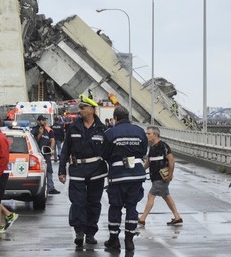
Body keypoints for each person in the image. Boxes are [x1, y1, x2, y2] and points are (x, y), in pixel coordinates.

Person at [58, 94, 108, 247]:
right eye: (80, 108)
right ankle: (79, 232)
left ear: (92, 109)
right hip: (78, 169)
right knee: (78, 202)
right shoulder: (73, 127)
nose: (79, 110)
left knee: (93, 203)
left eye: (83, 108)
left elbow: (108, 152)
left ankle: (91, 233)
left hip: (97, 171)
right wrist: (62, 171)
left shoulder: (103, 129)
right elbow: (65, 150)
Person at [103, 106, 148, 251]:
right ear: (128, 117)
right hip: (136, 175)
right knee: (132, 207)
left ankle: (114, 239)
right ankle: (129, 240)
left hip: (118, 175)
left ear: (115, 118)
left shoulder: (110, 133)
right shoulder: (140, 131)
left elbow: (105, 154)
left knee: (115, 207)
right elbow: (143, 151)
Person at [138, 126, 183, 227]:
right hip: (155, 177)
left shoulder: (163, 146)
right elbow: (148, 162)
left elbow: (171, 160)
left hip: (161, 178)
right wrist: (140, 171)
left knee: (151, 196)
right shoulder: (152, 147)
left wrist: (170, 175)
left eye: (148, 134)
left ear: (155, 134)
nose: (147, 135)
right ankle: (177, 217)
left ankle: (142, 218)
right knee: (166, 196)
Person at [32, 115, 60, 194]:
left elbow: (52, 140)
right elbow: (34, 141)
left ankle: (51, 188)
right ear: (38, 121)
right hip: (38, 155)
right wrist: (40, 134)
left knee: (49, 171)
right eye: (42, 120)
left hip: (46, 154)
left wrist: (51, 150)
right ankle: (38, 188)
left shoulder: (48, 130)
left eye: (45, 120)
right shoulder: (34, 130)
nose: (44, 121)